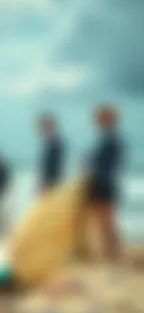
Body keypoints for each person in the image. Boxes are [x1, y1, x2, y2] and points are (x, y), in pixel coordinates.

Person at [76, 105, 123, 263]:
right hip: (103, 183)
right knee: (103, 221)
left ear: (108, 118)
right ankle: (110, 253)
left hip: (102, 184)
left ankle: (113, 254)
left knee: (105, 221)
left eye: (100, 117)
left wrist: (89, 163)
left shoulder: (110, 139)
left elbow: (103, 165)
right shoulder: (107, 138)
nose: (96, 120)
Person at [37, 113, 65, 194]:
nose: (40, 129)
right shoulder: (49, 143)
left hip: (53, 184)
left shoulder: (55, 143)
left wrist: (46, 185)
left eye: (42, 126)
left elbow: (55, 167)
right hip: (50, 183)